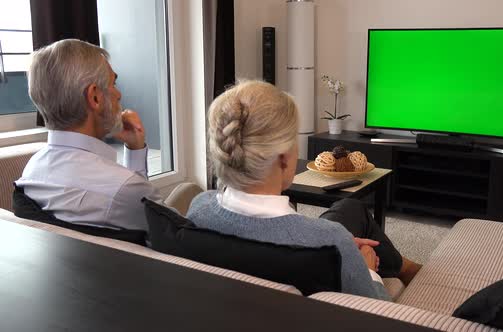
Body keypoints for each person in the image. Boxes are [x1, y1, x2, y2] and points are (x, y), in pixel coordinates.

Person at [187, 80, 421, 300]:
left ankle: (404, 266)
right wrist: (368, 270)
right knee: (355, 220)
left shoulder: (199, 208)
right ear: (284, 159)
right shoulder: (330, 240)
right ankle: (405, 268)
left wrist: (346, 245)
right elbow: (376, 314)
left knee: (350, 207)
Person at [16, 39, 161, 231]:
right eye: (113, 83)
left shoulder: (32, 171)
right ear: (95, 97)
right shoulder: (125, 190)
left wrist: (134, 148)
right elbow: (171, 238)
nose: (118, 94)